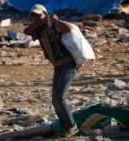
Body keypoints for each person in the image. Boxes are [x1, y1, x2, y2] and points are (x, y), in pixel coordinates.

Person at [23, 4, 79, 137]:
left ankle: (72, 126)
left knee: (59, 98)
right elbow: (27, 32)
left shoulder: (53, 24)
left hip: (68, 64)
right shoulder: (39, 29)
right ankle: (64, 126)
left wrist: (54, 20)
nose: (36, 17)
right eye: (34, 16)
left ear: (45, 13)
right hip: (58, 66)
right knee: (55, 99)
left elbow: (68, 29)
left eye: (39, 15)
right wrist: (37, 22)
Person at [0, 103, 129, 141]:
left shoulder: (116, 110)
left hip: (73, 119)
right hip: (75, 122)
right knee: (37, 129)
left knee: (36, 129)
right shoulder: (126, 116)